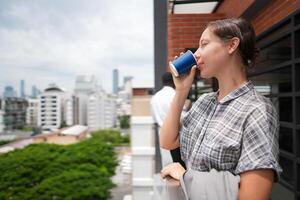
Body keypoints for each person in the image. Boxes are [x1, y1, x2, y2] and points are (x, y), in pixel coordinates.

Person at [160, 18, 282, 200]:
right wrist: (181, 91)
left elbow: (252, 197)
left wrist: (186, 177)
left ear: (232, 45)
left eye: (204, 44)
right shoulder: (204, 102)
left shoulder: (256, 111)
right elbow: (168, 141)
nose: (196, 54)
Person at [151, 72, 187, 168]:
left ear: (163, 82)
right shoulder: (175, 95)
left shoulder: (155, 98)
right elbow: (184, 117)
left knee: (168, 165)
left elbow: (154, 120)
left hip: (162, 132)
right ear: (173, 81)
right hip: (177, 133)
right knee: (180, 166)